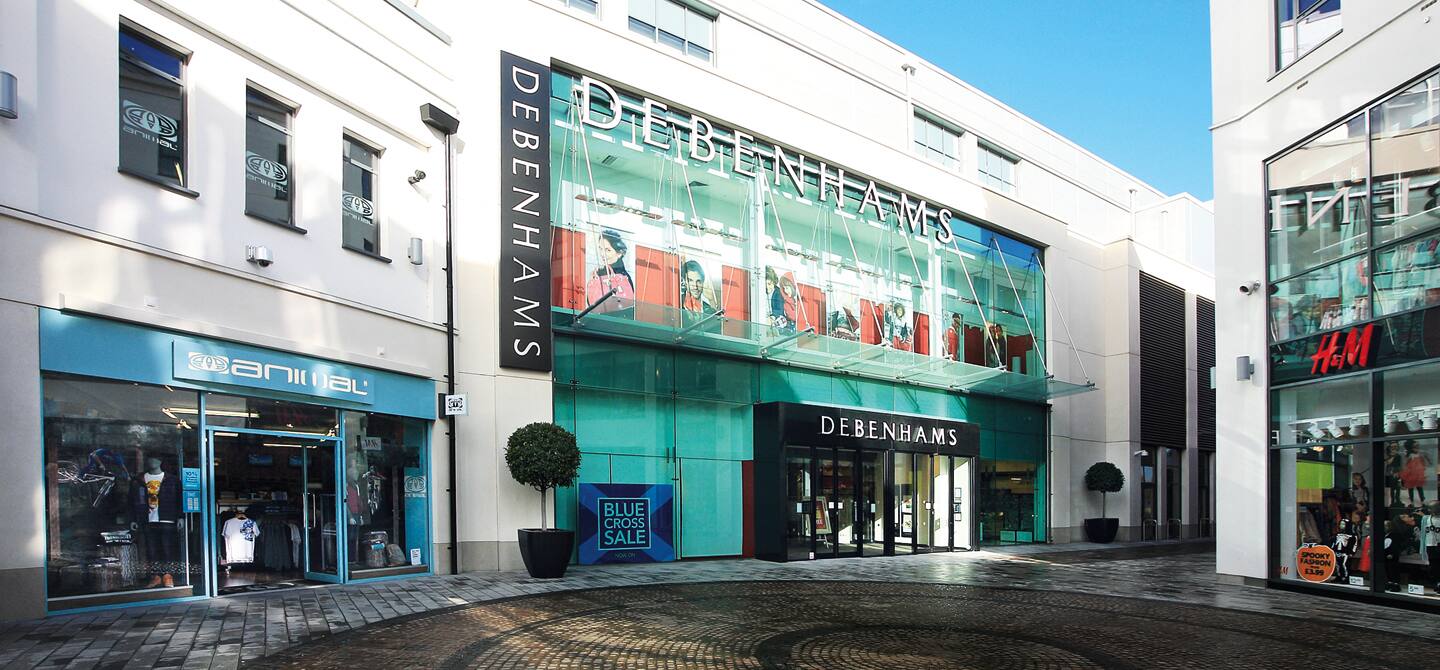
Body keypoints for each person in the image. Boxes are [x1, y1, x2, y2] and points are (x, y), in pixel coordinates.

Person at [585, 229, 635, 314]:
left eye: (608, 250)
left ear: (619, 253)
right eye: (601, 249)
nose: (602, 254)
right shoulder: (599, 272)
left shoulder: (622, 277)